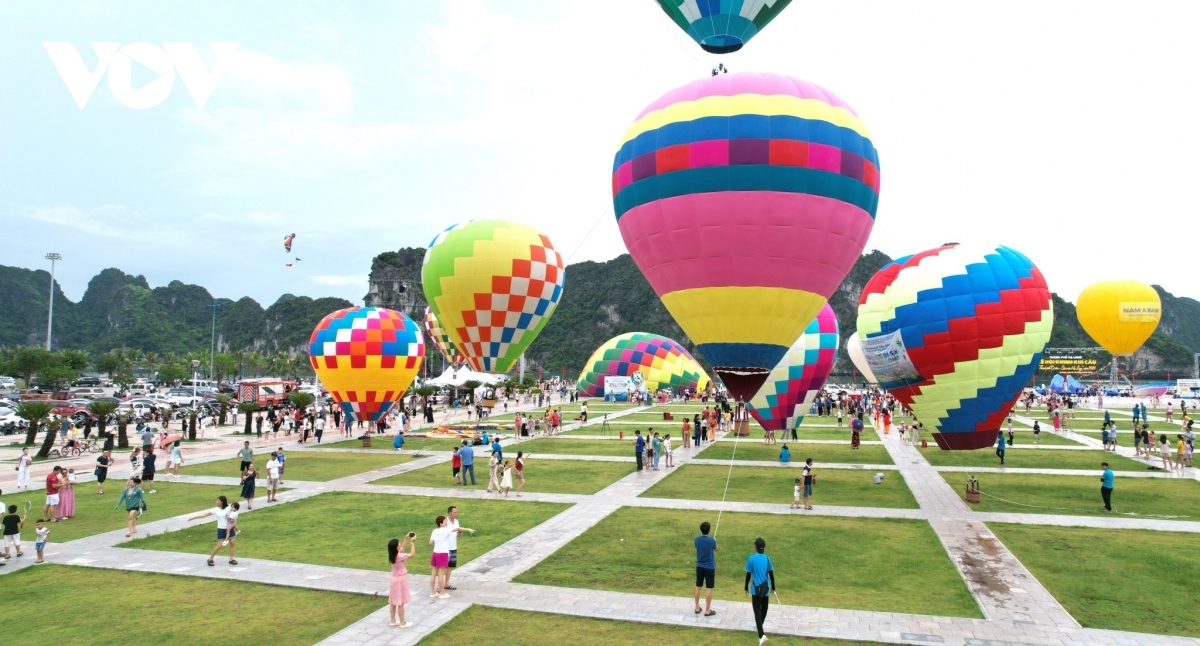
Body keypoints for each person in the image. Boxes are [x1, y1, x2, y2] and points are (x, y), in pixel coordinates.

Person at [187, 495, 238, 566]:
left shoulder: (229, 508)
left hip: (229, 528)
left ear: (222, 502)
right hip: (221, 529)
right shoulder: (215, 510)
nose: (216, 502)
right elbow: (205, 514)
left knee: (232, 543)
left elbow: (235, 511)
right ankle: (210, 558)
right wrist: (194, 517)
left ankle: (231, 559)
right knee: (219, 546)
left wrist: (234, 520)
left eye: (218, 501)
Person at [744, 537, 776, 645]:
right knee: (764, 609)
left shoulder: (751, 559)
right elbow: (771, 574)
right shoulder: (768, 559)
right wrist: (773, 587)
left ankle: (761, 634)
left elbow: (748, 575)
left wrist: (745, 587)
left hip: (755, 589)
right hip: (765, 589)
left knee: (757, 610)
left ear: (756, 547)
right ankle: (760, 627)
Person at [443, 505, 475, 591]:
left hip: (453, 546)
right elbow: (445, 532)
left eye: (457, 512)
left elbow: (456, 531)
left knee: (450, 566)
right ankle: (440, 585)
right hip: (445, 547)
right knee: (443, 567)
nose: (456, 514)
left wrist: (459, 534)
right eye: (455, 512)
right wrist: (468, 529)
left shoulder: (456, 522)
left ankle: (447, 583)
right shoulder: (445, 522)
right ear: (450, 513)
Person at [388, 534, 416, 628]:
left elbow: (403, 547)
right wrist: (412, 543)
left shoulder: (392, 554)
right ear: (396, 547)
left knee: (393, 601)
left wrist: (406, 538)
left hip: (393, 579)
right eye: (398, 544)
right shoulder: (399, 556)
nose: (400, 544)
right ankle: (402, 622)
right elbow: (412, 554)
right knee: (400, 602)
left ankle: (392, 620)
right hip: (400, 580)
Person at [693, 521, 717, 616]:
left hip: (699, 566)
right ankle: (707, 610)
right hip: (709, 567)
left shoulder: (697, 539)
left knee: (698, 586)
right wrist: (714, 541)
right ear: (709, 530)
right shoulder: (711, 540)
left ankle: (697, 607)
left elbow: (697, 547)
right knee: (709, 588)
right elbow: (716, 548)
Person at [429, 515, 455, 598]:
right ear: (441, 523)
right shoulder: (446, 530)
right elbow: (457, 529)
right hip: (443, 553)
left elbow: (430, 542)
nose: (446, 522)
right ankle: (442, 593)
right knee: (441, 574)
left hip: (435, 553)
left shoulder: (434, 531)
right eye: (445, 521)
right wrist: (468, 529)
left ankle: (433, 592)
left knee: (433, 573)